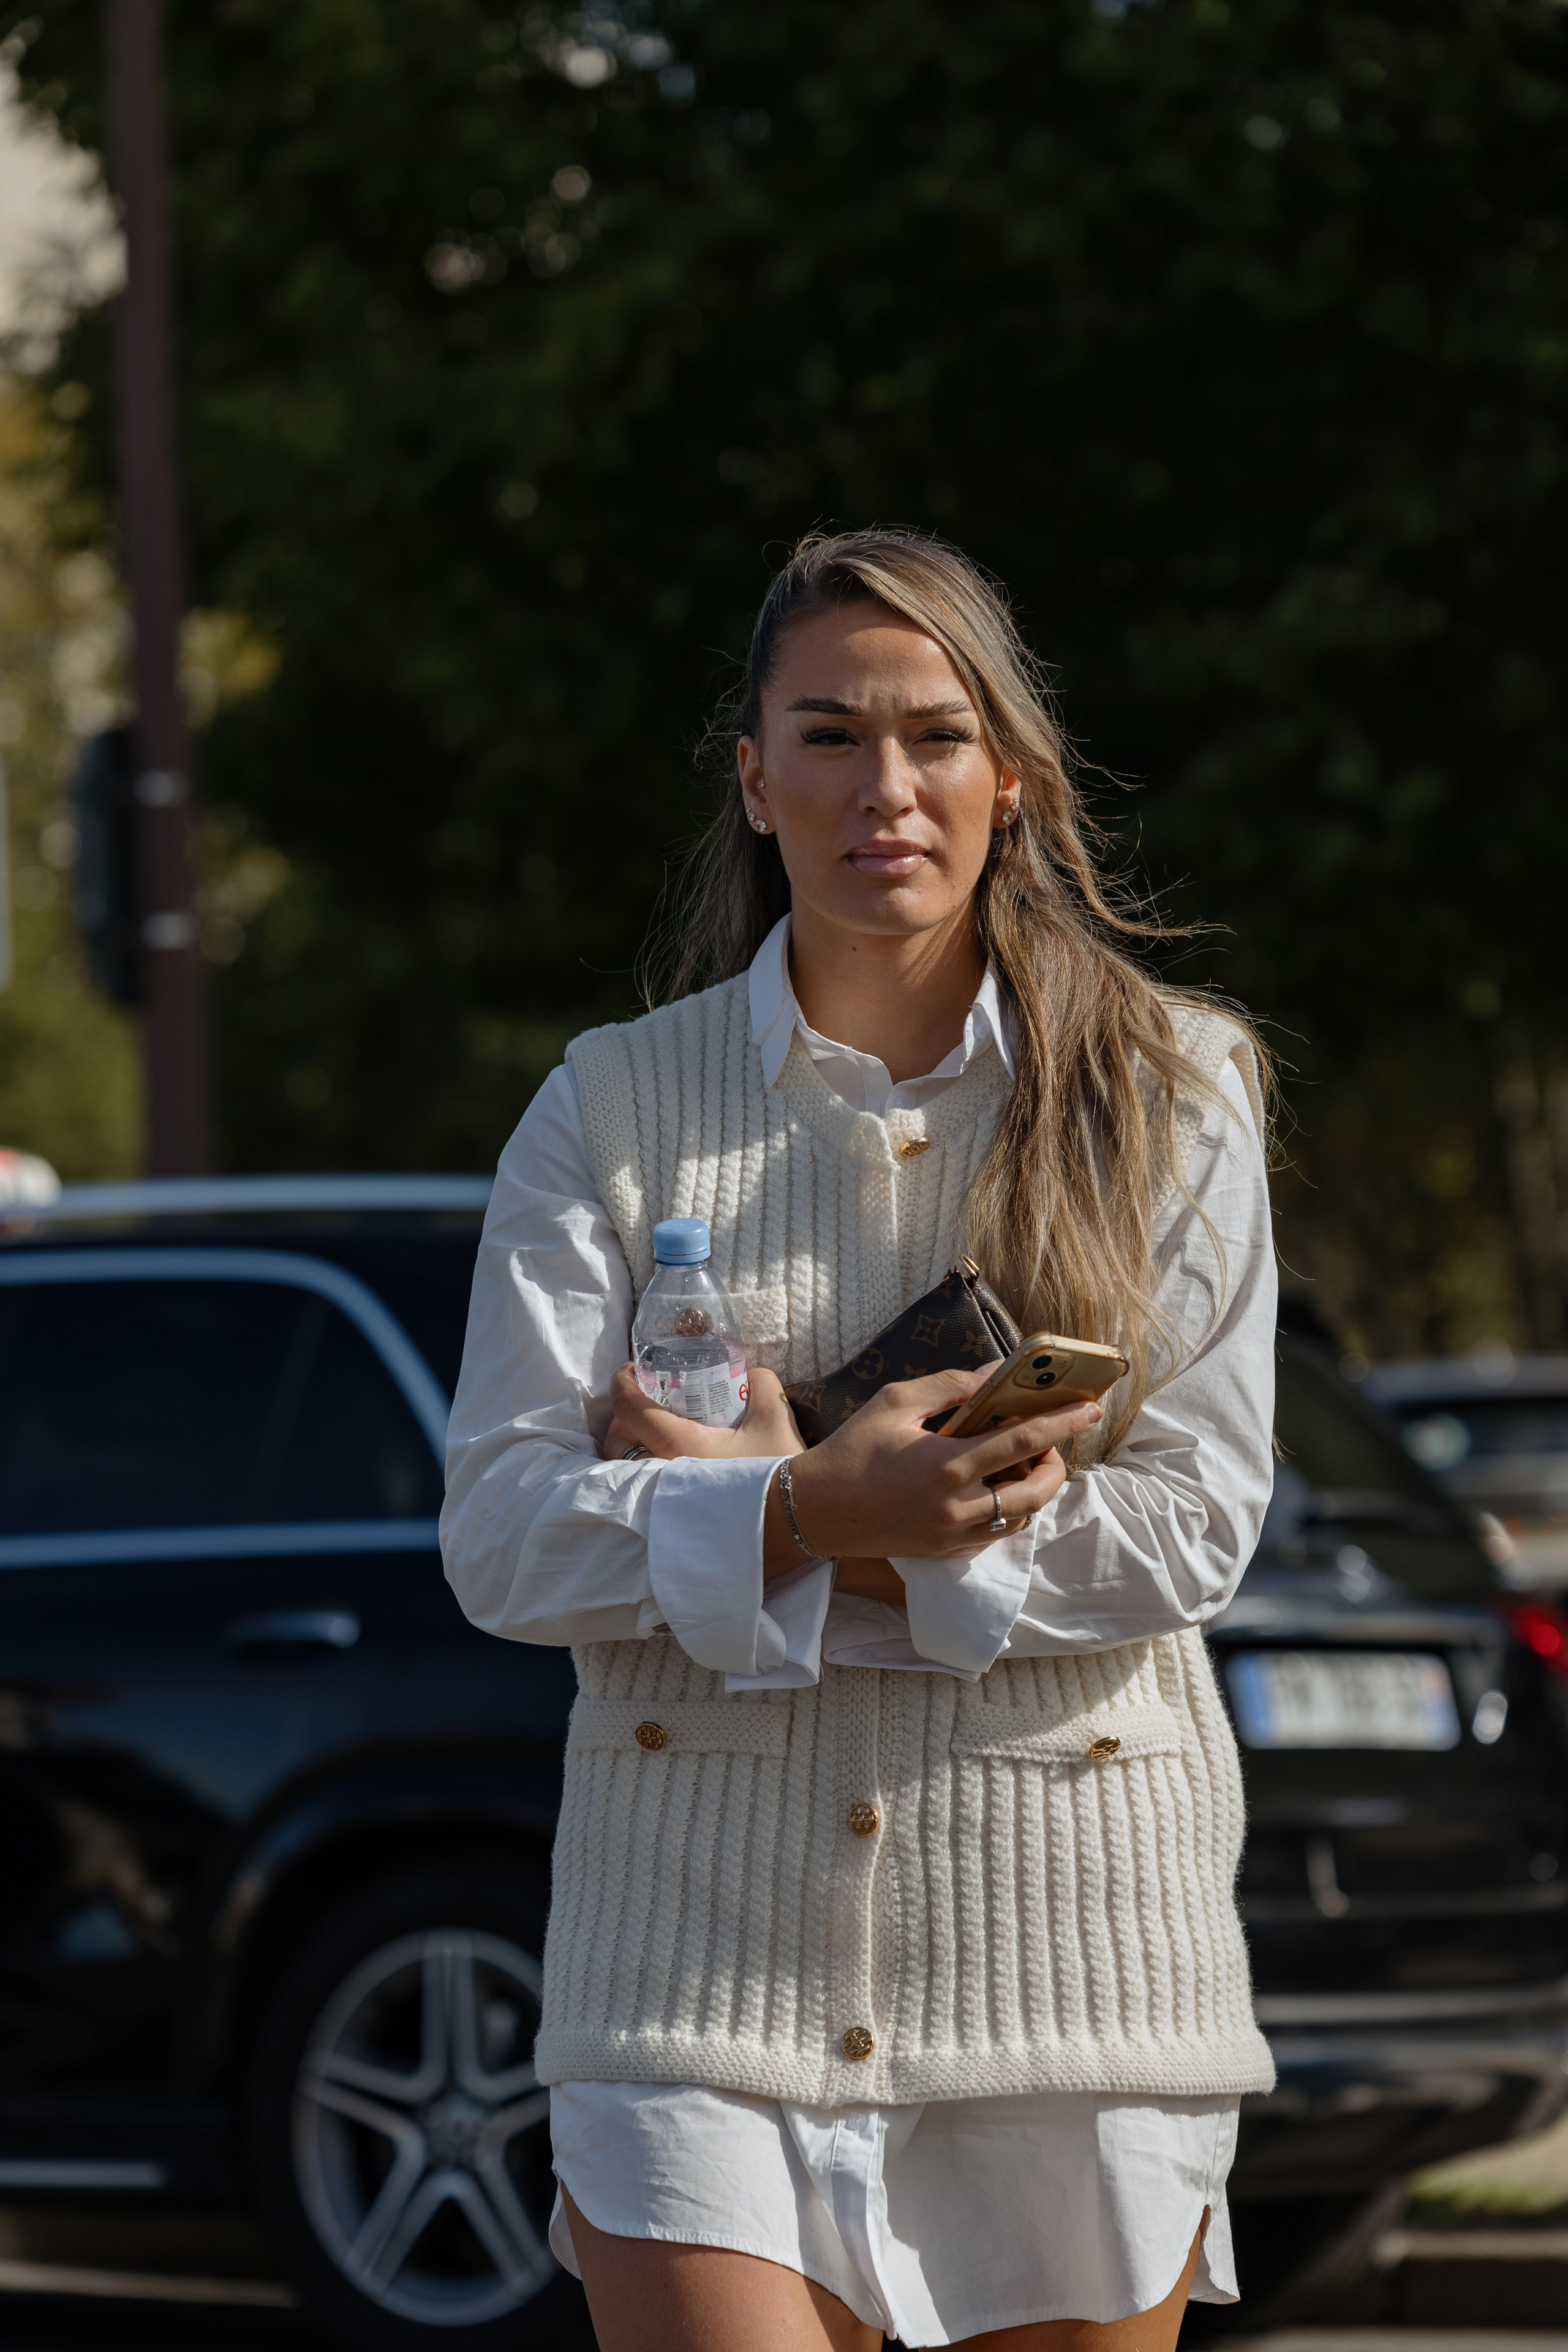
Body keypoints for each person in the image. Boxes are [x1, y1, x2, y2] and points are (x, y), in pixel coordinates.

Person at [440, 528, 1277, 2351]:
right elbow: (502, 1536)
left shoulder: (1174, 1084)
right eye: (828, 736)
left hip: (1077, 1961)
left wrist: (818, 1525)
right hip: (690, 1973)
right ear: (755, 779)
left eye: (935, 735)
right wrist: (812, 1512)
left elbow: (1195, 1527)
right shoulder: (610, 1103)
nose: (883, 787)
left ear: (1011, 777)